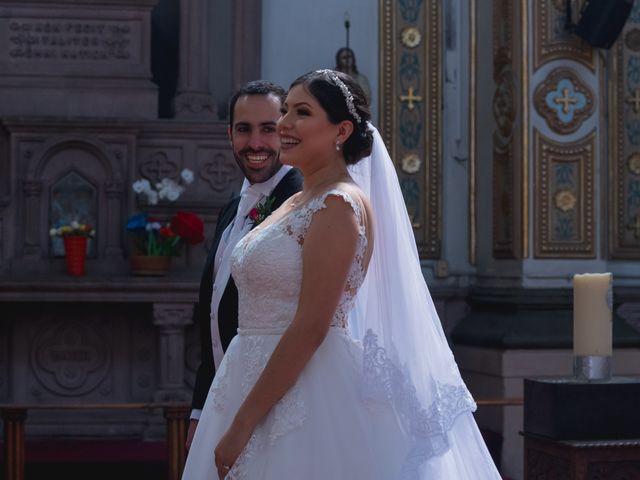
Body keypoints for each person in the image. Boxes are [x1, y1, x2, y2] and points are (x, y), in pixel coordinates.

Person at [182, 70, 502, 479]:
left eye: (301, 112)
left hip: (307, 393)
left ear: (341, 130)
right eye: (286, 112)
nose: (285, 125)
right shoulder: (294, 202)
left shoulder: (338, 205)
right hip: (243, 379)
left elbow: (311, 326)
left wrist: (244, 423)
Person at [186, 80, 303, 450]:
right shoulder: (230, 209)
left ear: (286, 130)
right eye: (243, 129)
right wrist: (201, 410)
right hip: (224, 402)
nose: (255, 143)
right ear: (229, 134)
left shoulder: (306, 202)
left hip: (283, 408)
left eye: (268, 129)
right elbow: (213, 314)